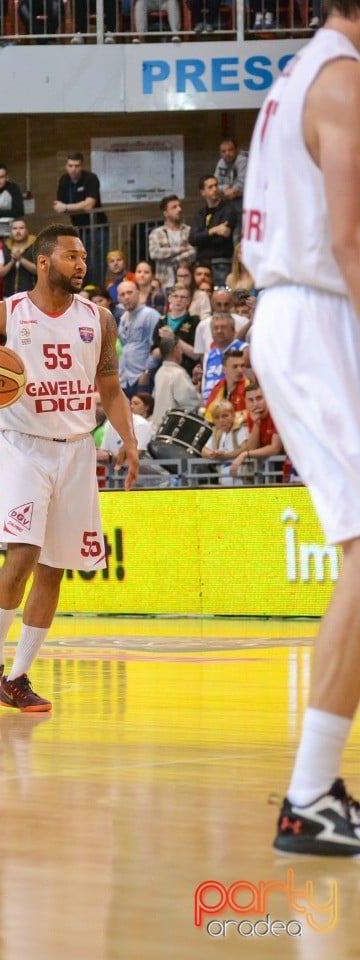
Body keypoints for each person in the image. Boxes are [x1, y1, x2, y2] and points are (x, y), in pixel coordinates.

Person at [242, 3, 360, 855]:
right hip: (319, 316)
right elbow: (352, 242)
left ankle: (315, 789)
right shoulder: (343, 80)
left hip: (298, 312)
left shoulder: (297, 75)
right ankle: (309, 793)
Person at [0, 223, 139, 713]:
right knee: (24, 553)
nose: (82, 265)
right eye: (72, 257)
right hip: (24, 446)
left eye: (83, 258)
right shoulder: (5, 312)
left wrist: (130, 440)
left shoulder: (99, 319)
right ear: (43, 261)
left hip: (77, 448)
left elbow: (111, 390)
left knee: (55, 568)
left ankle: (19, 677)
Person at [53, 152, 108, 286]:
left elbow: (89, 204)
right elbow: (57, 206)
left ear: (82, 166)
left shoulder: (90, 178)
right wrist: (73, 207)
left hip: (97, 226)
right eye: (70, 165)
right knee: (80, 261)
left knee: (97, 262)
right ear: (66, 166)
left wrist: (67, 207)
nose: (73, 169)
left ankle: (97, 291)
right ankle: (84, 291)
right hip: (79, 229)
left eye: (77, 166)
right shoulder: (64, 180)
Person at [189, 175, 240, 286]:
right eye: (210, 187)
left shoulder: (229, 210)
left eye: (216, 185)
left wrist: (202, 236)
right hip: (202, 263)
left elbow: (221, 238)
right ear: (203, 192)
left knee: (221, 294)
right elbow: (192, 239)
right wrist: (214, 230)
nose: (215, 189)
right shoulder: (200, 214)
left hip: (221, 262)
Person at [228, 381, 284, 480]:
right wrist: (256, 424)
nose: (256, 404)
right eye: (251, 400)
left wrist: (245, 454)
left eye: (259, 398)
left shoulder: (277, 413)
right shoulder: (252, 416)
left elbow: (275, 448)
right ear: (245, 401)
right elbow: (252, 448)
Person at [116, 279, 160, 397]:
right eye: (122, 294)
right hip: (125, 379)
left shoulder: (150, 314)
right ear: (118, 299)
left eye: (129, 293)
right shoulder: (123, 318)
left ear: (138, 293)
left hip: (142, 377)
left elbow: (157, 346)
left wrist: (147, 372)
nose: (126, 297)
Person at [151, 332, 200, 433]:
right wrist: (197, 395)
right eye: (180, 349)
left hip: (158, 427)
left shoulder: (159, 372)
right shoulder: (178, 373)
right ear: (175, 350)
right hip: (174, 429)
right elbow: (190, 403)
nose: (182, 352)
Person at [148, 195, 196, 291]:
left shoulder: (189, 230)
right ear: (166, 213)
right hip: (163, 282)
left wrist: (169, 260)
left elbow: (192, 252)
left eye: (179, 206)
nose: (179, 209)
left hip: (185, 282)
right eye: (174, 207)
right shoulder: (157, 233)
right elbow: (154, 253)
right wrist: (179, 250)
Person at [200, 399, 249, 485]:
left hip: (243, 481)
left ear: (233, 415)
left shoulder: (240, 428)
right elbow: (203, 449)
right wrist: (213, 454)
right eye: (217, 417)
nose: (221, 420)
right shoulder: (216, 432)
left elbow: (245, 448)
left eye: (225, 416)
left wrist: (225, 456)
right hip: (223, 484)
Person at [0, 219, 37, 297]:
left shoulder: (36, 247)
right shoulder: (4, 248)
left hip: (31, 297)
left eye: (21, 228)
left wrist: (20, 259)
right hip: (9, 296)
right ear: (11, 231)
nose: (18, 231)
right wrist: (12, 262)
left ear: (27, 231)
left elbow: (40, 271)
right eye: (15, 228)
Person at [213, 137, 248, 209]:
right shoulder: (221, 162)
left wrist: (233, 191)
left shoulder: (242, 161)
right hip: (227, 197)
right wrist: (225, 189)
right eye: (223, 151)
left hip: (243, 198)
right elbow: (215, 182)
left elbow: (242, 184)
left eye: (230, 150)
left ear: (236, 150)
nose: (227, 153)